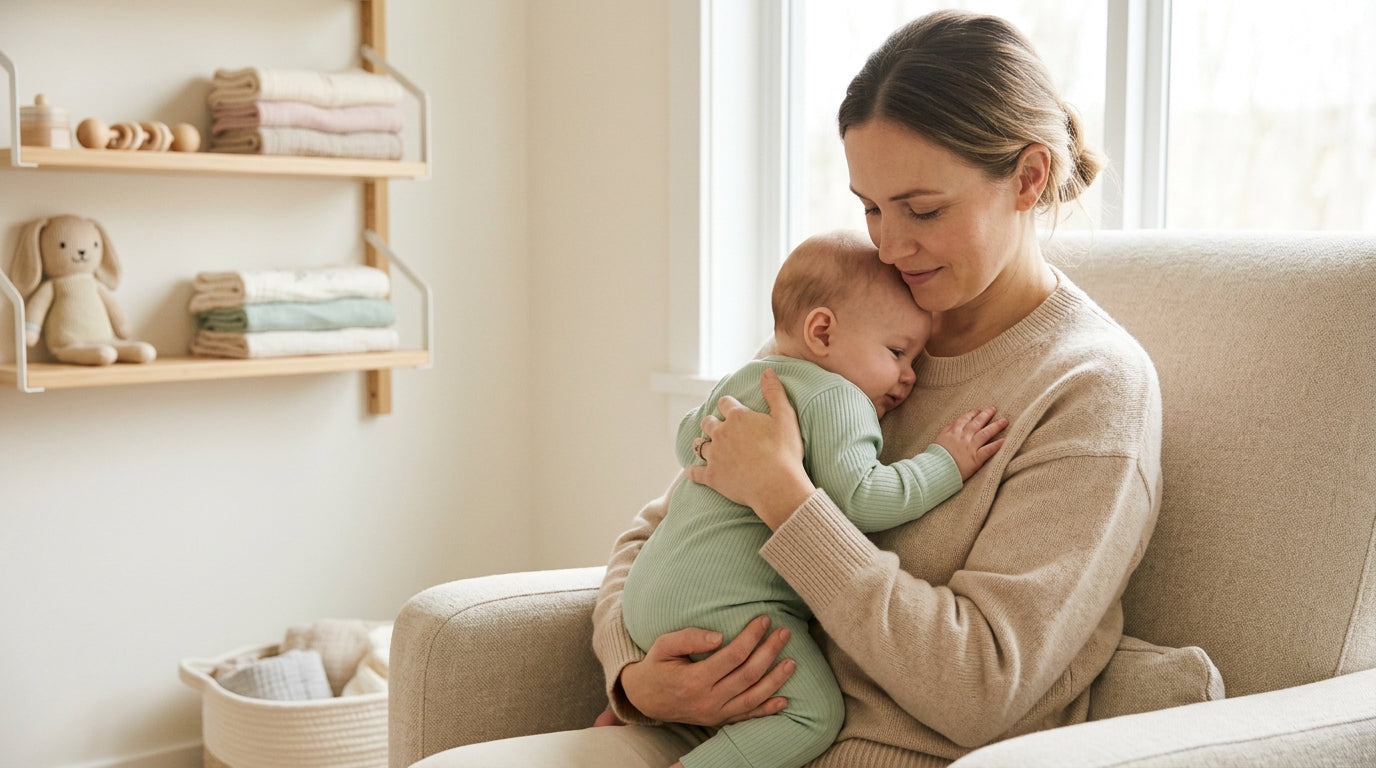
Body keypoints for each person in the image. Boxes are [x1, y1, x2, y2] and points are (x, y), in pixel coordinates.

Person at [413, 9, 1161, 767]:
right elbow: (661, 528)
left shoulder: (1091, 388)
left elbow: (980, 686)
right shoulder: (851, 327)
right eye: (870, 206)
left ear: (1028, 179)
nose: (890, 246)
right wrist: (638, 682)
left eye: (923, 210)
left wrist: (787, 499)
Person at [620, 229, 1006, 768]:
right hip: (727, 606)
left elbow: (690, 440)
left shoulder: (748, 377)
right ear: (822, 332)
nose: (909, 376)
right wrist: (946, 462)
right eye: (897, 352)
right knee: (811, 716)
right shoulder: (839, 398)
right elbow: (865, 499)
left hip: (646, 601)